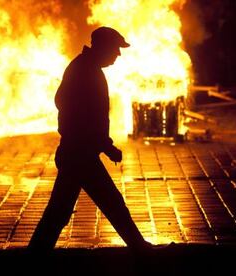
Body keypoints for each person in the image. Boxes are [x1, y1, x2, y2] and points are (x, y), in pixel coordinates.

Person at [28, 26, 154, 253]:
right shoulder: (85, 71)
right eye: (116, 49)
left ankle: (36, 254)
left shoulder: (86, 68)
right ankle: (140, 249)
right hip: (79, 154)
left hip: (77, 152)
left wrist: (104, 145)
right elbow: (83, 114)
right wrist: (105, 146)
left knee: (61, 210)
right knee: (110, 203)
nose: (118, 54)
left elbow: (78, 110)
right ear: (103, 47)